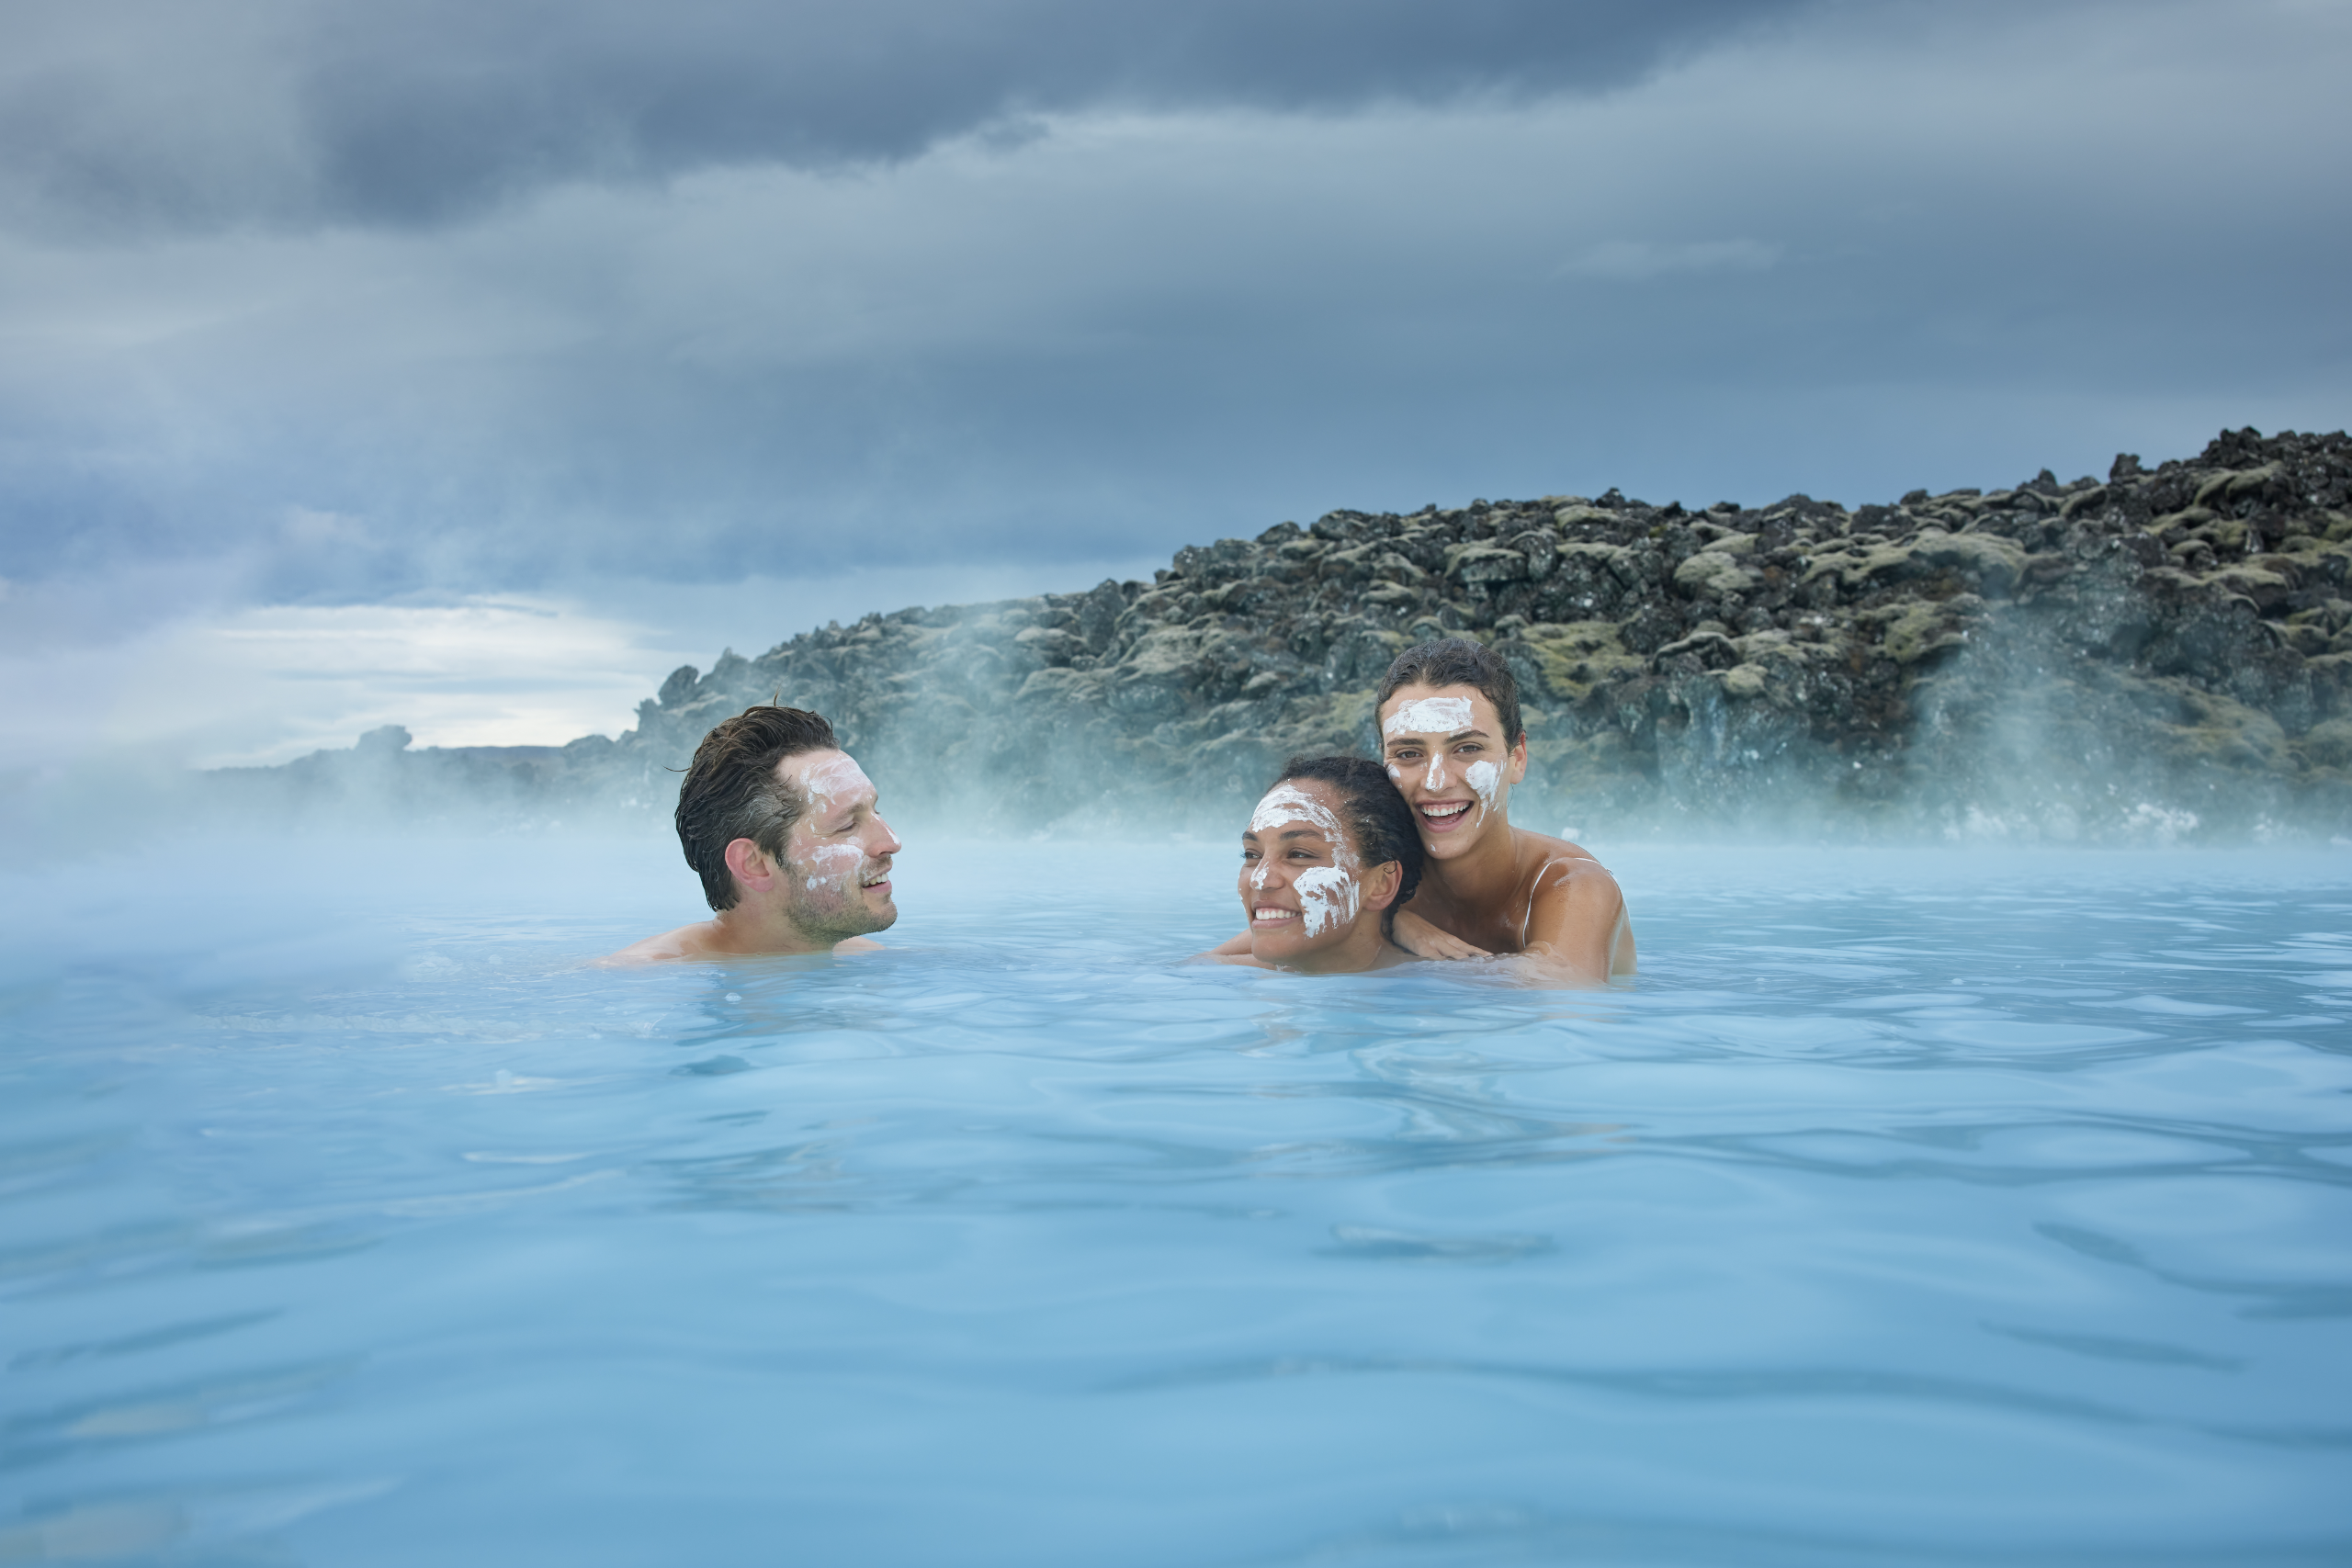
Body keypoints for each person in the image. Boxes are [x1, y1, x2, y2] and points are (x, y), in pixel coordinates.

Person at [1375, 637, 1634, 984]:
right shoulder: (1374, 882)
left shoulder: (1575, 886)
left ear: (1518, 758)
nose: (1436, 782)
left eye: (1467, 748)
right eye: (1408, 754)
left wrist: (1380, 927)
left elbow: (1566, 1011)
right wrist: (1390, 917)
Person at [604, 705, 901, 964]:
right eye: (847, 825)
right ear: (754, 864)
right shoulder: (641, 980)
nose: (891, 842)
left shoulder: (869, 958)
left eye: (876, 811)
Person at [1204, 755, 1424, 975]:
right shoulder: (1217, 975)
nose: (1259, 879)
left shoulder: (1439, 988)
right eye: (1252, 855)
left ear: (1381, 884)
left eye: (1299, 855)